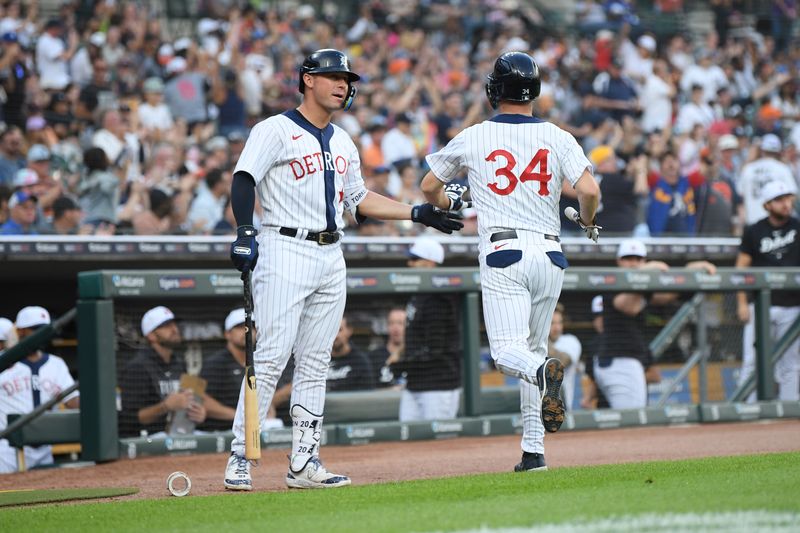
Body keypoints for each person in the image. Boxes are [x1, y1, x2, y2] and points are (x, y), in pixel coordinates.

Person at [224, 48, 462, 491]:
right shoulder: (274, 129)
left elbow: (358, 201)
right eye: (333, 75)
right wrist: (243, 230)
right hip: (284, 245)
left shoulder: (343, 140)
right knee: (272, 355)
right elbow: (244, 178)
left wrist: (416, 211)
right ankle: (241, 454)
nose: (343, 84)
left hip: (332, 253)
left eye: (347, 78)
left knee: (316, 361)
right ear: (308, 79)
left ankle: (304, 460)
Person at [420, 51, 601, 472]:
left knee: (508, 355)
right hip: (551, 253)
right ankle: (533, 452)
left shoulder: (475, 135)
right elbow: (589, 192)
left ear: (495, 90)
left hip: (505, 252)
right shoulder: (558, 135)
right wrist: (589, 222)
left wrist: (449, 200)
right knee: (532, 350)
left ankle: (542, 374)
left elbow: (430, 186)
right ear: (534, 91)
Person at [595, 239, 716, 409]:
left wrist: (692, 270)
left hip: (627, 362)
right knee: (630, 422)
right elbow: (628, 306)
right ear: (619, 261)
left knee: (624, 422)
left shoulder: (643, 289)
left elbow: (668, 293)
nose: (634, 264)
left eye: (638, 259)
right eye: (629, 259)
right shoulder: (612, 282)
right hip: (618, 361)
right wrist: (645, 271)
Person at [736, 181, 799, 402]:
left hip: (792, 306)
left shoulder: (798, 227)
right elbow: (741, 269)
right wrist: (742, 303)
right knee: (752, 360)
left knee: (790, 362)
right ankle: (748, 410)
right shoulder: (754, 231)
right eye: (780, 200)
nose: (786, 204)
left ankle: (788, 410)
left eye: (788, 198)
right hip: (760, 306)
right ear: (767, 205)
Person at [389, 238, 462, 421]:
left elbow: (434, 348)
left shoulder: (440, 297)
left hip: (438, 384)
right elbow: (416, 338)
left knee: (437, 446)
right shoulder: (418, 294)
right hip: (415, 382)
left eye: (414, 259)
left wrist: (401, 364)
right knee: (406, 441)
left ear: (429, 263)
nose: (409, 263)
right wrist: (400, 353)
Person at [1, 306, 79, 473]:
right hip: (6, 451)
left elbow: (74, 403)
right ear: (20, 332)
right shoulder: (4, 362)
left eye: (44, 330)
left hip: (44, 450)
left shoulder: (56, 364)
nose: (42, 335)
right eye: (35, 330)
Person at [118, 306, 210, 437]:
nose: (174, 329)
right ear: (151, 335)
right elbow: (129, 419)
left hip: (177, 433)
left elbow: (186, 401)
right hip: (148, 438)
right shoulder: (137, 367)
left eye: (174, 324)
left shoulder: (178, 363)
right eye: (166, 326)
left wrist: (198, 413)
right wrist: (165, 406)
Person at [200, 308, 291, 431]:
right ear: (227, 334)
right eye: (239, 327)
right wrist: (243, 416)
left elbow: (289, 386)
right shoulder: (216, 363)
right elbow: (200, 400)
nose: (247, 331)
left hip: (265, 426)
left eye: (251, 327)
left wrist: (267, 403)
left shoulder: (264, 359)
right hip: (225, 429)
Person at [736, 134, 796, 226]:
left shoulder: (748, 168)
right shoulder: (782, 168)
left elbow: (740, 194)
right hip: (776, 222)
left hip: (752, 221)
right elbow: (792, 194)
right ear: (778, 151)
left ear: (762, 150)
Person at [547, 304, 582, 411]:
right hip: (534, 407)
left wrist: (540, 337)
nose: (557, 327)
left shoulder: (571, 341)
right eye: (552, 323)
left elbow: (560, 362)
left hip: (562, 409)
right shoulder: (532, 343)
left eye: (559, 323)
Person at [327, 316, 375, 392]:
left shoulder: (360, 362)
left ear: (349, 331)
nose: (335, 335)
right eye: (331, 330)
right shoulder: (319, 359)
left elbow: (367, 396)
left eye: (339, 330)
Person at [368, 307, 406, 388]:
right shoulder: (373, 357)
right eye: (392, 323)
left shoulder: (415, 356)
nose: (396, 328)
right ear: (387, 326)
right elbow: (369, 392)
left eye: (400, 323)